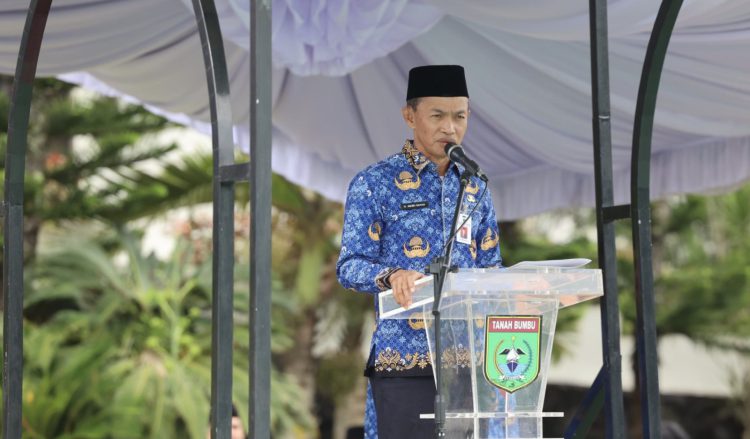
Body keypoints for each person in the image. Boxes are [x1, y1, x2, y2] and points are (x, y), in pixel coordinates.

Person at [336, 65, 502, 439]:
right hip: (404, 361)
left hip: (469, 362)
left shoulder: (476, 186)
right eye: (437, 116)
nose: (450, 128)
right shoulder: (374, 183)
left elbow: (491, 266)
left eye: (459, 117)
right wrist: (391, 275)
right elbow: (350, 265)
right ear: (410, 116)